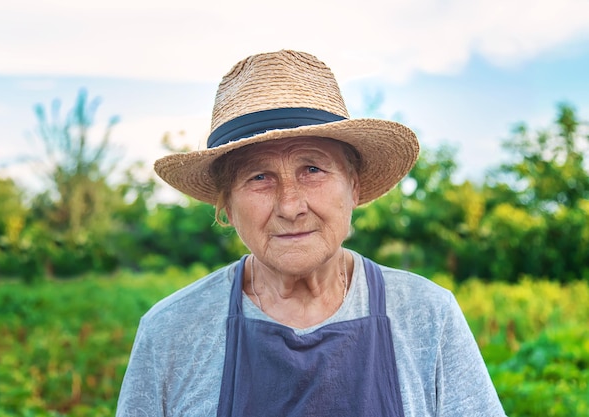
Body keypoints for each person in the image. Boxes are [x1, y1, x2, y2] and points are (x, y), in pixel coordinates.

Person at [116, 50, 506, 417]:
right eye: (259, 177)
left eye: (313, 170)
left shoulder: (427, 315)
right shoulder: (171, 332)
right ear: (227, 208)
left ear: (354, 187)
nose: (290, 206)